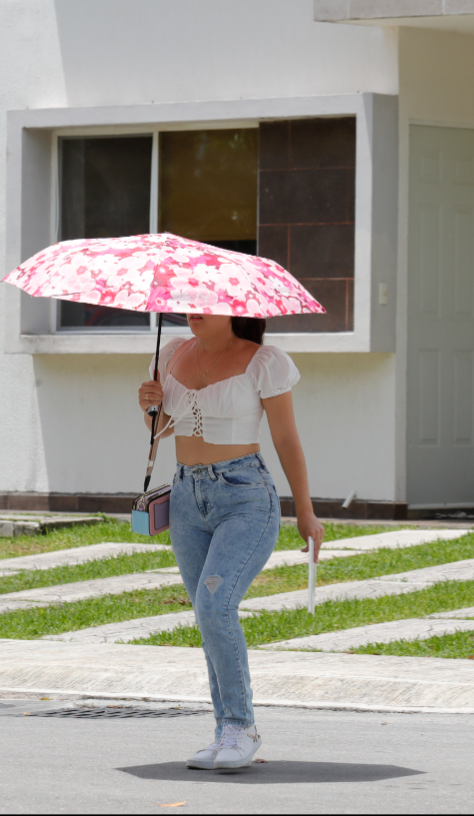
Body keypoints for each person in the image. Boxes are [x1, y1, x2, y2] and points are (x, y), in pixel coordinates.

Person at [136, 313, 323, 770]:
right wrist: (150, 406)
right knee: (206, 613)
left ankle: (242, 726)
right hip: (185, 496)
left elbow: (285, 438)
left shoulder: (264, 362)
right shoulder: (172, 352)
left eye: (206, 301)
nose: (193, 309)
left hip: (243, 497)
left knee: (216, 606)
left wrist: (305, 510)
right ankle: (225, 733)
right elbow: (162, 433)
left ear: (234, 310)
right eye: (190, 300)